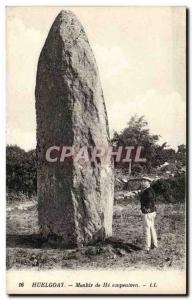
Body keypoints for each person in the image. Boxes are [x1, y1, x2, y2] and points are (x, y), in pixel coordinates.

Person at [140, 178, 158, 252]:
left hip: (148, 212)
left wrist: (146, 208)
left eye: (144, 181)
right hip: (152, 212)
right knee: (151, 228)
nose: (142, 182)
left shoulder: (147, 191)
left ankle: (147, 247)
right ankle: (154, 245)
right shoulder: (151, 190)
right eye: (142, 181)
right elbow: (153, 200)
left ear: (148, 183)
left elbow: (150, 199)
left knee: (146, 230)